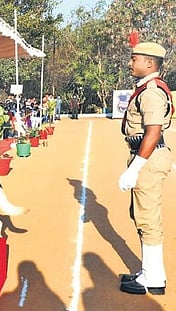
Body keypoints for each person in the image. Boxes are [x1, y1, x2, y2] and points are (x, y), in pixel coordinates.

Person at [118, 42, 173, 295]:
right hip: (147, 155)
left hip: (147, 157)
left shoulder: (150, 91)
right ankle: (148, 272)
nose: (131, 63)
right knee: (140, 216)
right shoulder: (146, 88)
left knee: (147, 219)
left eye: (134, 59)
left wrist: (135, 168)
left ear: (149, 64)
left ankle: (153, 279)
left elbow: (153, 131)